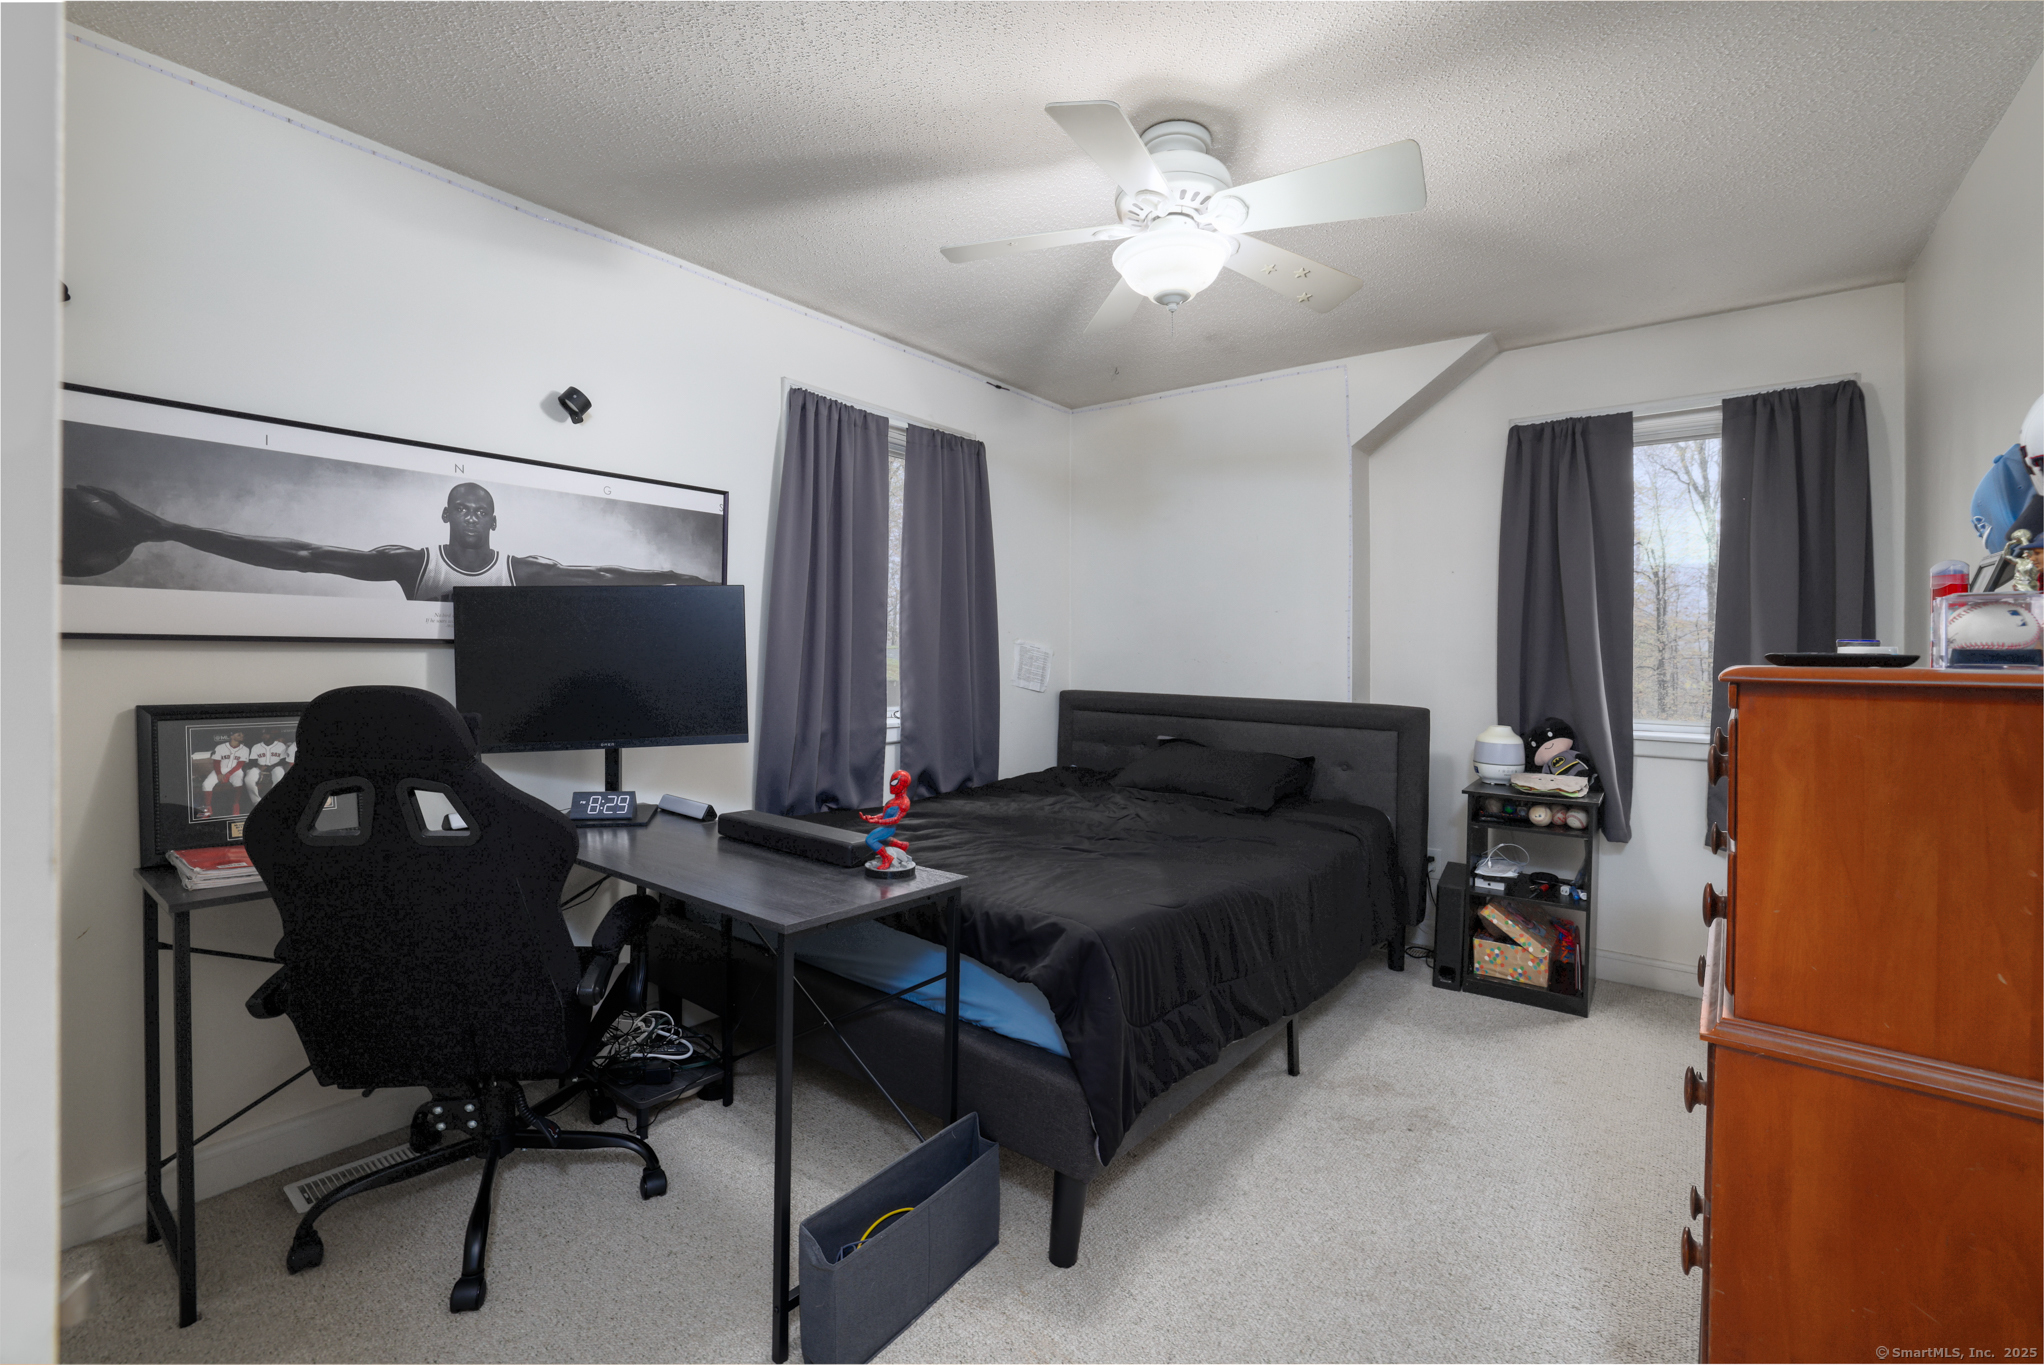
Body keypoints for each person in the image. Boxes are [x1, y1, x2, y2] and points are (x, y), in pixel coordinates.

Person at [70, 481, 711, 600]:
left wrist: (682, 583)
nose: (469, 515)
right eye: (459, 506)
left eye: (479, 509)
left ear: (493, 523)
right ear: (444, 518)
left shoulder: (521, 571)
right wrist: (169, 530)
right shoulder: (414, 563)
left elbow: (603, 577)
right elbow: (302, 556)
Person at [195, 730, 252, 819]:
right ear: (232, 736)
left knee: (238, 782)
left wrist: (228, 775)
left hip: (235, 770)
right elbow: (216, 762)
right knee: (206, 784)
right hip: (220, 769)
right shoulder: (220, 747)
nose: (242, 736)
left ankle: (236, 805)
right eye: (239, 735)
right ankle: (207, 808)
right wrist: (219, 774)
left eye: (242, 735)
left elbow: (240, 764)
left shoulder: (245, 749)